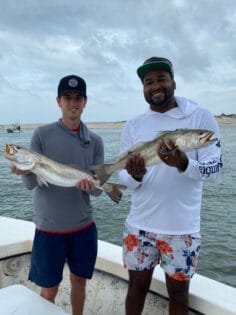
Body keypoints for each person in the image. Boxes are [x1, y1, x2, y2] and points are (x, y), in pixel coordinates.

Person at [118, 57, 223, 315]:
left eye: (161, 79)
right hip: (139, 226)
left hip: (182, 229)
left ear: (173, 82)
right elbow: (125, 180)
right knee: (136, 287)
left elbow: (214, 170)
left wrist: (184, 163)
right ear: (143, 87)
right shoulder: (133, 125)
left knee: (178, 294)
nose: (155, 86)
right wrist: (137, 175)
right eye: (148, 81)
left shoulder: (199, 117)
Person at [11, 74, 104, 315]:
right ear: (58, 101)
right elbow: (32, 184)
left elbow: (96, 193)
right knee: (49, 290)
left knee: (79, 282)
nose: (73, 103)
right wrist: (23, 170)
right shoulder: (41, 135)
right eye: (67, 98)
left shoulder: (95, 141)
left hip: (83, 228)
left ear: (85, 102)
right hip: (49, 229)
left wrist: (92, 187)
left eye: (78, 98)